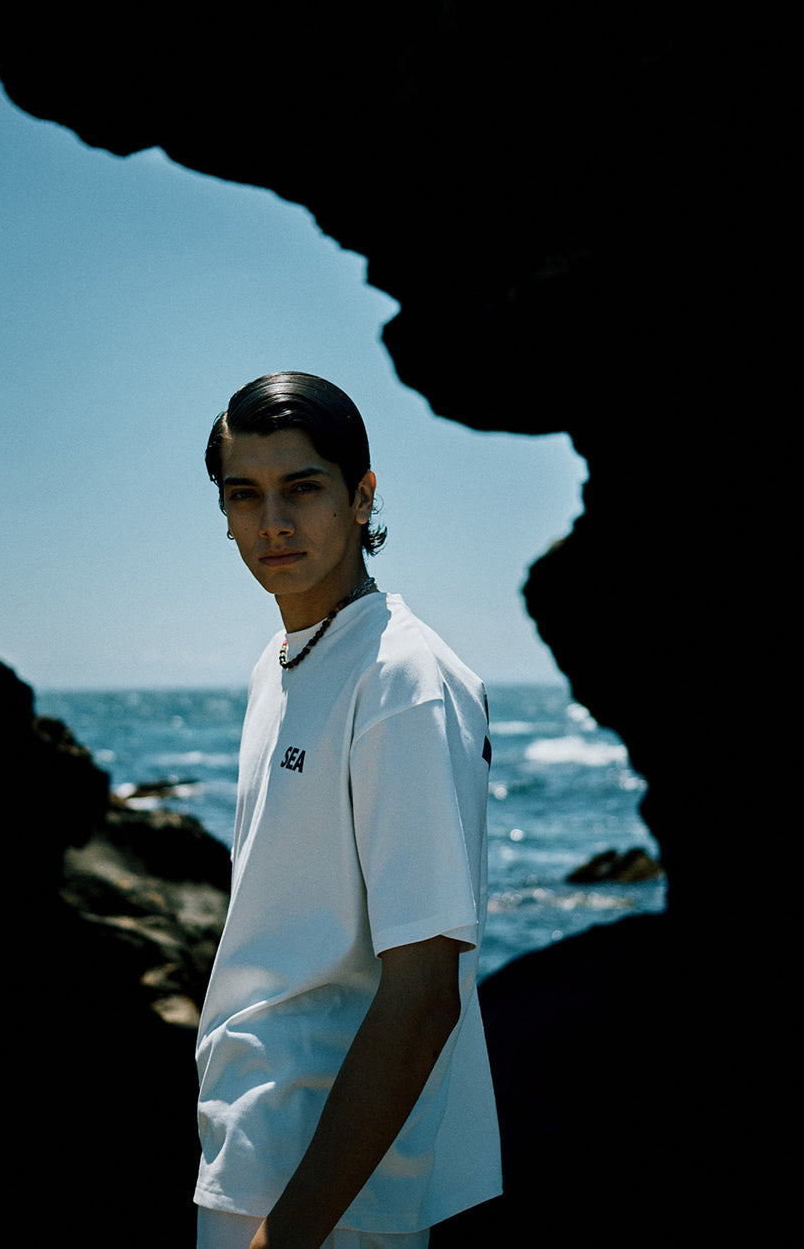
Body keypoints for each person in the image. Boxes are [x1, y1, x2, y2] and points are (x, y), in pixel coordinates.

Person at [194, 372, 502, 1249]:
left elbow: (424, 992)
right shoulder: (281, 662)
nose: (273, 522)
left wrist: (287, 1235)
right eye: (244, 495)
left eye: (302, 488)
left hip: (331, 1198)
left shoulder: (402, 676)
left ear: (362, 497)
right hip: (252, 1152)